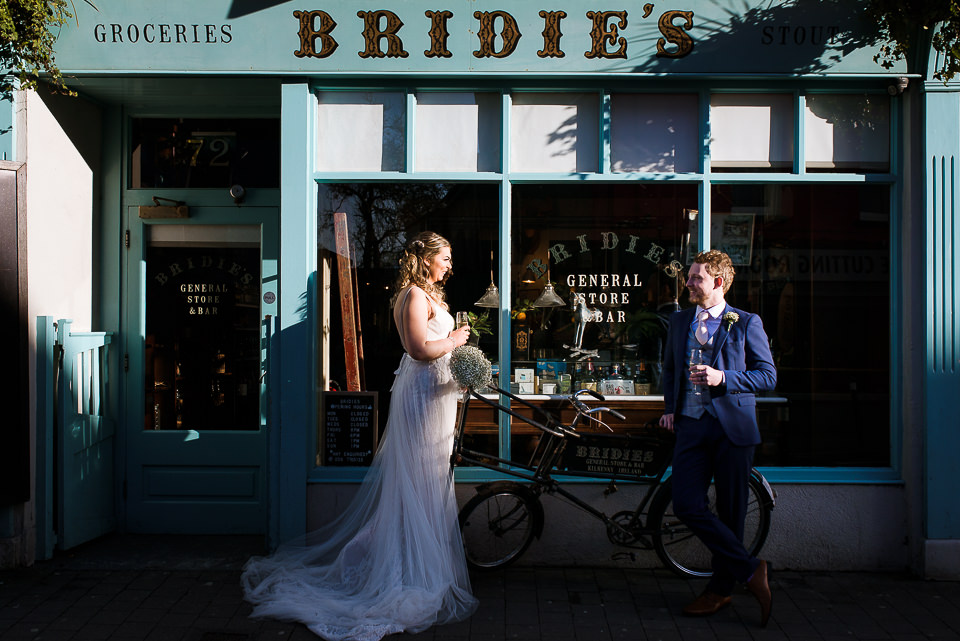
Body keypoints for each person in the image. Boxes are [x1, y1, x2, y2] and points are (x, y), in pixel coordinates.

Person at [241, 231, 477, 641]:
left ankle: (419, 562)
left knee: (431, 476)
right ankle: (402, 569)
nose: (450, 266)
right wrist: (456, 340)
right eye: (446, 258)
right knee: (418, 477)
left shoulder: (429, 295)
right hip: (422, 396)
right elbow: (420, 349)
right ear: (425, 260)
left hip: (437, 396)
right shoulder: (412, 296)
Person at [658, 250, 777, 627]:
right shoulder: (679, 321)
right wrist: (669, 407)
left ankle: (720, 591)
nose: (689, 283)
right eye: (690, 276)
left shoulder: (744, 322)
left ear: (718, 283)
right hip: (691, 426)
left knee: (732, 511)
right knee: (686, 504)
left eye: (696, 278)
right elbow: (671, 369)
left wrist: (723, 378)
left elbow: (767, 376)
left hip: (732, 430)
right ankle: (751, 569)